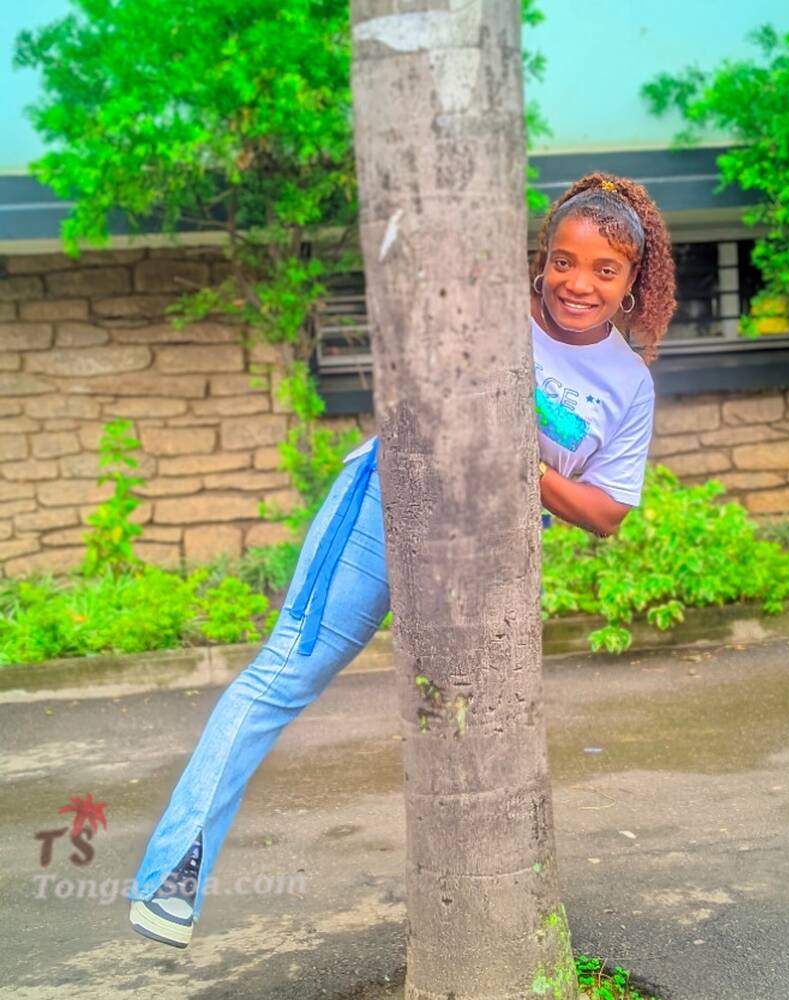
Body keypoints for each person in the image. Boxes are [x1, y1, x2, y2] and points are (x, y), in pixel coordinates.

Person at [126, 171, 676, 948]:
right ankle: (170, 876)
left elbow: (607, 511)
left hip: (491, 557)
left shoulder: (628, 384)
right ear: (543, 260)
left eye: (602, 269)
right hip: (386, 510)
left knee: (471, 727)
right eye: (563, 260)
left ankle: (479, 925)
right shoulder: (489, 314)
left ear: (631, 280)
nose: (576, 283)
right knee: (285, 675)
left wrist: (524, 465)